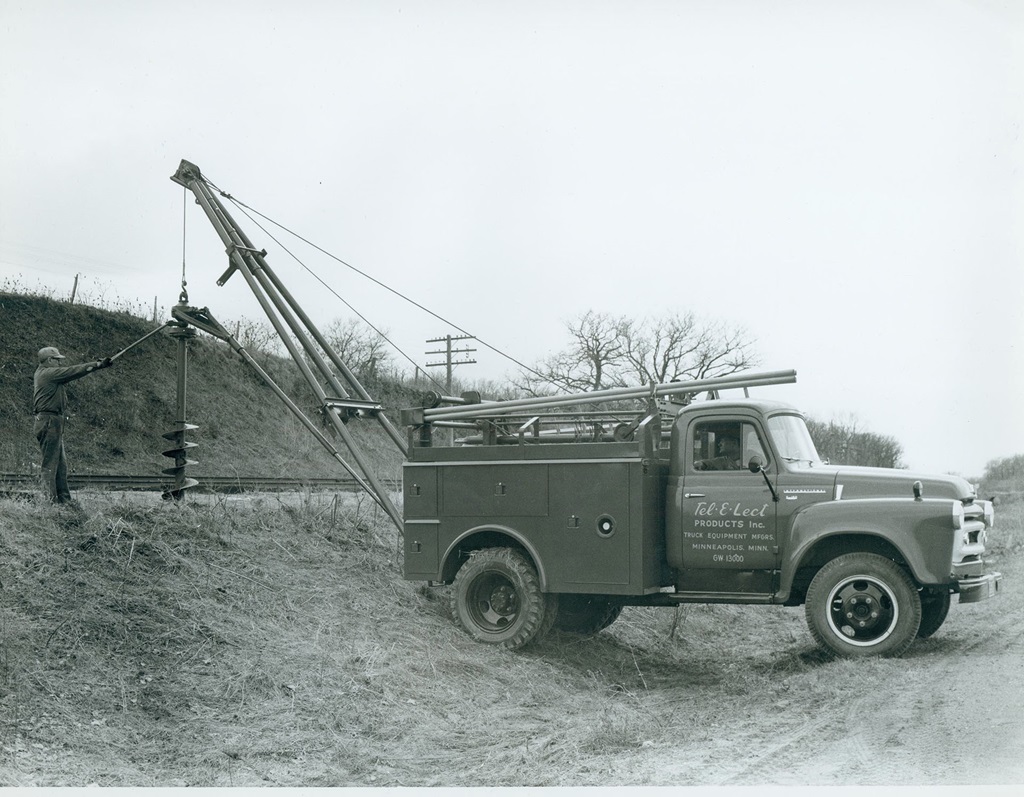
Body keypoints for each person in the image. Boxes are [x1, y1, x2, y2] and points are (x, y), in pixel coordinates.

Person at [33, 346, 114, 504]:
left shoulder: (46, 373)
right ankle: (49, 502)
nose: (60, 363)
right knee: (50, 464)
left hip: (52, 421)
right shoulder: (49, 373)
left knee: (60, 465)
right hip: (49, 421)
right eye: (58, 360)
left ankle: (64, 501)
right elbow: (73, 371)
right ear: (50, 360)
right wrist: (98, 365)